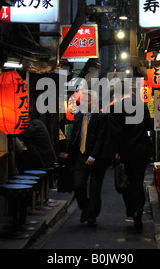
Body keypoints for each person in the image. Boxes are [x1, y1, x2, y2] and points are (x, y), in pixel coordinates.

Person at [60, 90, 108, 226]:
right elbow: (75, 137)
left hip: (96, 158)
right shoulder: (79, 116)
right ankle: (86, 209)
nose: (83, 103)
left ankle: (92, 216)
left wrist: (93, 156)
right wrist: (69, 153)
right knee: (78, 185)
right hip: (80, 157)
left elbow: (100, 139)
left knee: (94, 189)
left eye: (87, 101)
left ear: (93, 102)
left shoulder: (101, 117)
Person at [109, 85, 153, 231]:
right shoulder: (142, 106)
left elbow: (115, 133)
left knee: (126, 183)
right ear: (130, 93)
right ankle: (138, 213)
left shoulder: (116, 108)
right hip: (141, 152)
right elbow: (149, 127)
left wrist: (116, 151)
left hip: (125, 152)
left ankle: (131, 210)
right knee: (138, 183)